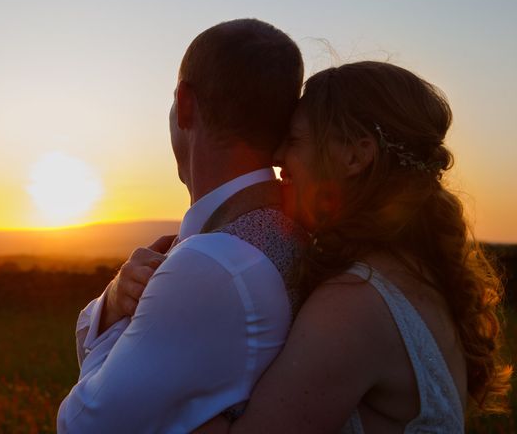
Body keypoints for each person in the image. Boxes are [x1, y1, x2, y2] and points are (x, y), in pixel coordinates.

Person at [122, 62, 512, 433]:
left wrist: (150, 346)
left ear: (355, 155)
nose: (277, 158)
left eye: (294, 140)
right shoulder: (413, 275)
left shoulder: (356, 303)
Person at [57, 18, 305, 433]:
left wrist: (119, 321)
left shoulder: (213, 264)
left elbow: (83, 423)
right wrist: (117, 299)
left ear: (185, 103)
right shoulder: (284, 230)